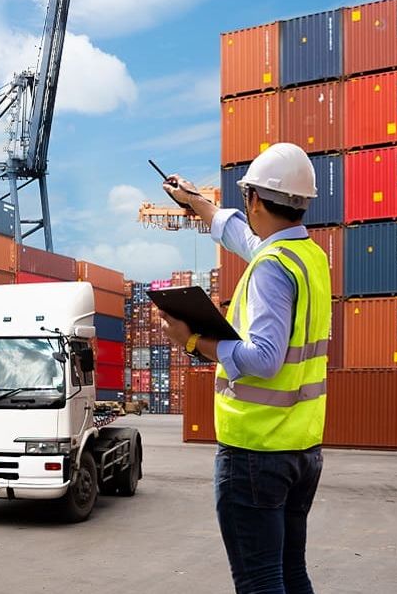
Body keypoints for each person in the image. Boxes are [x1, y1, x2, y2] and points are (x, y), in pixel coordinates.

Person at [158, 143, 332, 594]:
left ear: (254, 200)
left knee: (259, 583)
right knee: (291, 574)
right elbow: (245, 239)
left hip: (257, 452)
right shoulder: (308, 257)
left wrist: (194, 341)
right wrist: (195, 201)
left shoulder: (271, 268)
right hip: (301, 449)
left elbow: (265, 359)